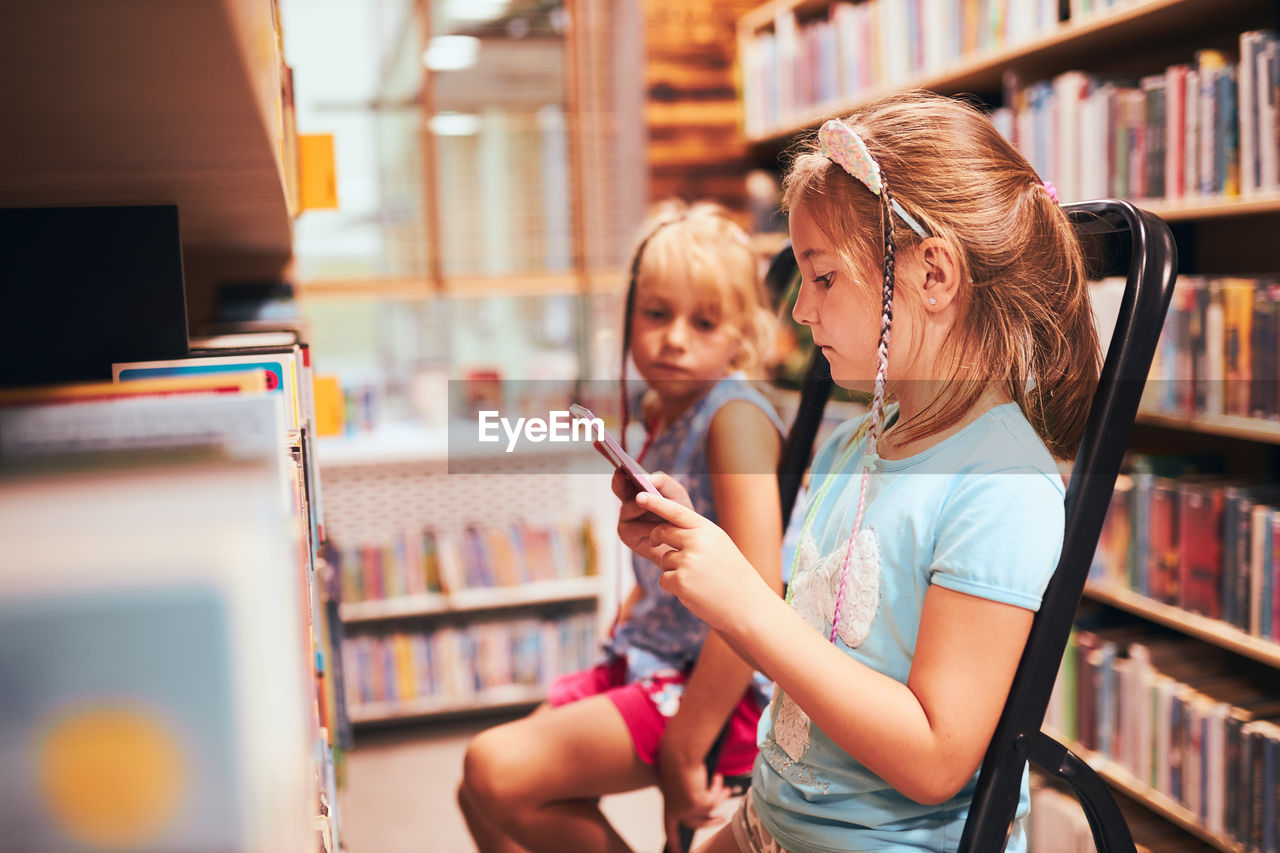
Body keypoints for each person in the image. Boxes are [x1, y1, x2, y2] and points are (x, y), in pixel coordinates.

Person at [615, 91, 1101, 853]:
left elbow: (937, 757)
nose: (801, 313)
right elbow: (824, 634)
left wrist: (747, 605)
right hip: (772, 824)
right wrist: (697, 542)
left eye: (823, 278)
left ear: (933, 275)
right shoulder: (858, 444)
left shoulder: (1001, 485)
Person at [458, 200, 786, 853]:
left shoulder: (735, 418)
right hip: (656, 659)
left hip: (719, 686)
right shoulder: (663, 411)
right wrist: (628, 619)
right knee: (479, 793)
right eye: (657, 314)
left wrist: (686, 745)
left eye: (704, 321)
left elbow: (759, 592)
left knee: (497, 769)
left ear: (741, 337)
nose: (674, 338)